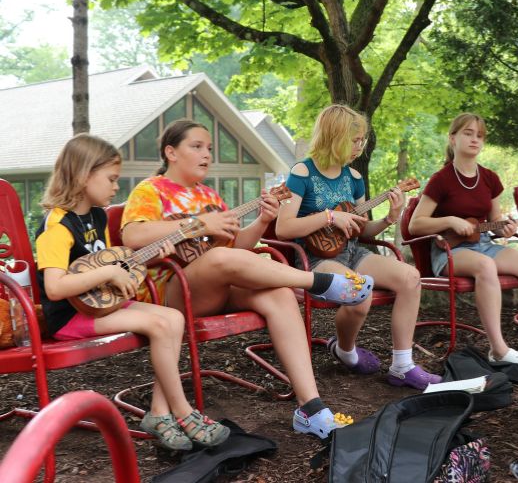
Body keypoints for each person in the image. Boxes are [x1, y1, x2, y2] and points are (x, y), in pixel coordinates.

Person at [121, 119, 373, 439]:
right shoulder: (150, 190)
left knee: (279, 293)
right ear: (170, 152)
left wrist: (262, 221)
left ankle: (312, 410)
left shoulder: (210, 197)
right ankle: (317, 282)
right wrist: (200, 224)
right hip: (170, 296)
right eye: (196, 147)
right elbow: (133, 235)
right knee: (219, 259)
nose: (207, 155)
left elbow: (236, 248)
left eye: (209, 148)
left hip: (216, 285)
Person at [36, 133, 230, 450]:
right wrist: (110, 271)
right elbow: (55, 288)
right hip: (70, 317)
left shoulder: (96, 216)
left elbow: (116, 265)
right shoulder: (57, 225)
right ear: (85, 174)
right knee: (157, 323)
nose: (116, 187)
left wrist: (152, 256)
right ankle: (183, 412)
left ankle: (159, 413)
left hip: (102, 305)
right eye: (111, 179)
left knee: (174, 318)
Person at [275, 104, 441, 390]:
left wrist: (390, 217)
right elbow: (283, 228)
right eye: (355, 139)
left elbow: (362, 230)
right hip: (314, 258)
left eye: (361, 140)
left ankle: (402, 365)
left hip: (353, 251)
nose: (359, 146)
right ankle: (345, 350)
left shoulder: (353, 178)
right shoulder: (302, 172)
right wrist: (329, 216)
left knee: (411, 278)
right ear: (334, 135)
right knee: (358, 290)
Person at [408, 113, 518, 369]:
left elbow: (494, 223)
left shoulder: (490, 178)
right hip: (449, 250)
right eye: (468, 133)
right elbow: (416, 224)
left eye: (479, 135)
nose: (475, 139)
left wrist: (506, 228)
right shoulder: (442, 179)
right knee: (485, 265)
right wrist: (449, 220)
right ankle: (499, 350)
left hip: (483, 243)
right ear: (453, 138)